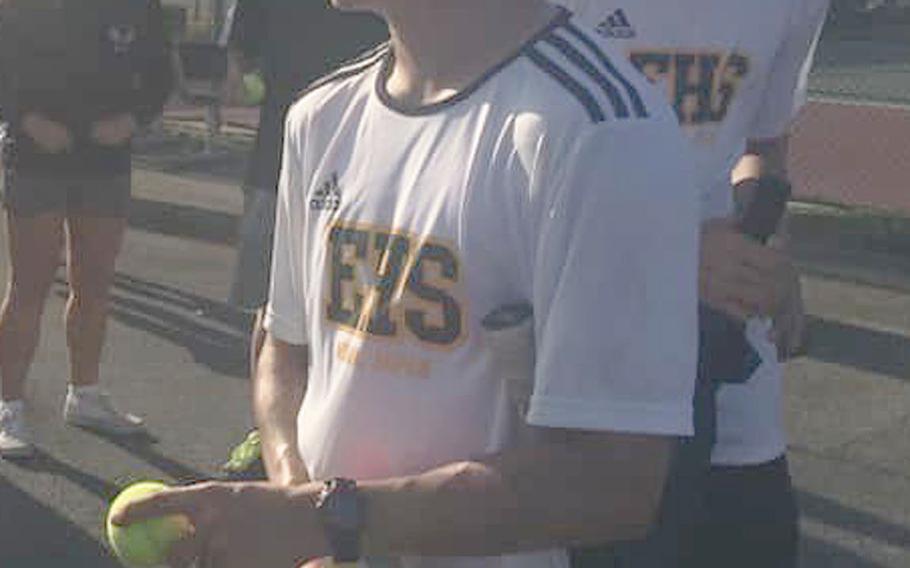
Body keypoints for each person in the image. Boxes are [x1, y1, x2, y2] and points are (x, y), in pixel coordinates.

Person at [112, 1, 701, 567]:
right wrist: (302, 511)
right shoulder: (321, 115)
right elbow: (283, 350)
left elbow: (614, 481)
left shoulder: (605, 131)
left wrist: (327, 519)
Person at [556, 1, 830, 566]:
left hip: (721, 361)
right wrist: (671, 251)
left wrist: (766, 248)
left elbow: (760, 146)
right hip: (584, 388)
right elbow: (481, 172)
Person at [220, 0, 387, 478]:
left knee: (359, 309)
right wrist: (242, 78)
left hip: (374, 158)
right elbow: (240, 55)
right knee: (273, 309)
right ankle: (268, 434)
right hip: (280, 157)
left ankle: (343, 434)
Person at [0, 0, 172, 458]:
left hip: (106, 163)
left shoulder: (141, 7)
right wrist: (29, 120)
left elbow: (160, 77)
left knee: (94, 285)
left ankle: (86, 395)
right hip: (35, 159)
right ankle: (7, 404)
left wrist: (132, 119)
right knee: (28, 288)